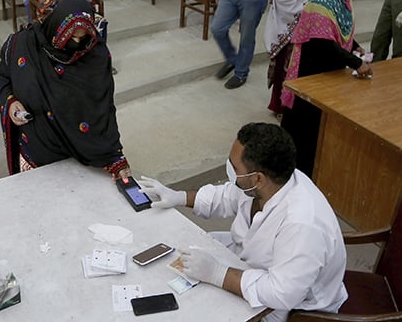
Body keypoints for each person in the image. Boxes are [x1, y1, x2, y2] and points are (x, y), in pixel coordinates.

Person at [139, 122, 348, 322]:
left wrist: (218, 274)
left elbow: (281, 294)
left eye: (235, 167)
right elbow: (226, 196)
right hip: (252, 263)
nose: (230, 170)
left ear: (258, 178)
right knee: (192, 251)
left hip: (293, 307)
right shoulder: (267, 182)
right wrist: (179, 197)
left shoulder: (303, 224)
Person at [0, 0, 131, 180]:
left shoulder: (95, 56)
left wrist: (115, 158)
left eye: (82, 37)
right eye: (71, 37)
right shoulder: (24, 44)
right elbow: (2, 76)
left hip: (78, 153)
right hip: (35, 149)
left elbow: (104, 110)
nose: (77, 43)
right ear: (56, 27)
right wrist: (10, 101)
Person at [280, 0, 371, 175]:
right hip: (311, 74)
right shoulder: (321, 3)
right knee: (305, 128)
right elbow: (323, 45)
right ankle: (297, 172)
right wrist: (356, 63)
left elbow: (337, 30)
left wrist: (354, 46)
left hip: (329, 72)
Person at [265, 0, 333, 115]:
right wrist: (312, 0)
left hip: (314, 25)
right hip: (292, 25)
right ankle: (280, 106)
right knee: (286, 68)